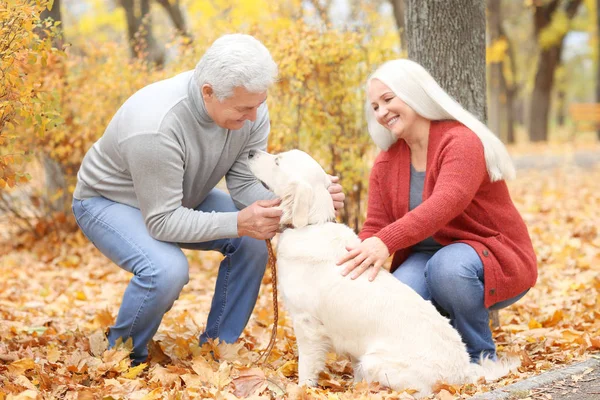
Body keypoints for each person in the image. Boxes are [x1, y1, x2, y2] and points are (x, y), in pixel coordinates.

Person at [72, 34, 345, 364]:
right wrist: (238, 222)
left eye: (259, 105)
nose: (255, 117)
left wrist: (303, 206)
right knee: (166, 270)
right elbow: (163, 221)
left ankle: (216, 349)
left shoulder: (249, 103)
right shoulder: (156, 126)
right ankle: (121, 353)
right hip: (108, 201)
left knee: (253, 243)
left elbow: (243, 184)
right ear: (208, 92)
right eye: (245, 108)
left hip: (181, 195)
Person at [337, 59, 537, 363]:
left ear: (414, 93)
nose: (381, 112)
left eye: (388, 99)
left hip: (490, 253)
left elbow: (447, 202)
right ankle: (434, 360)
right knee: (395, 295)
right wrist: (357, 261)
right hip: (425, 258)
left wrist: (385, 242)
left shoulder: (460, 141)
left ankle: (480, 358)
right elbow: (376, 223)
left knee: (447, 269)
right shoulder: (386, 162)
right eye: (375, 106)